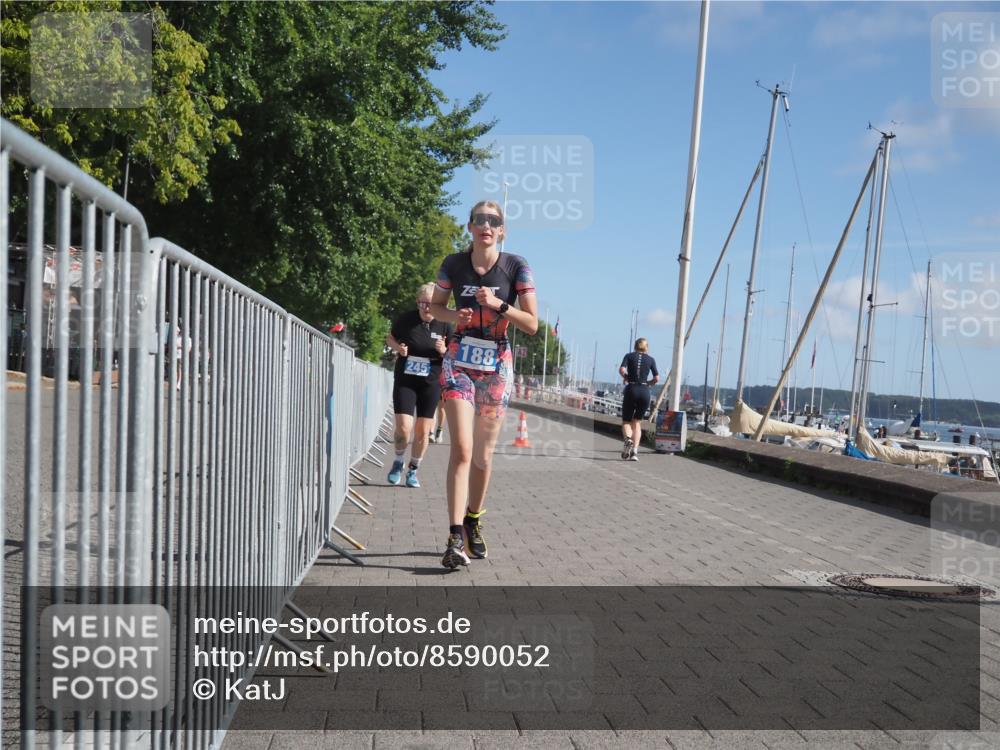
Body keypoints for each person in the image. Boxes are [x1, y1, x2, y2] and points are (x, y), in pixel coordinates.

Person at [429, 200, 537, 569]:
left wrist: (499, 304)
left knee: (483, 455)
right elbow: (436, 308)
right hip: (459, 359)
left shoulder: (516, 267)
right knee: (461, 448)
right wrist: (452, 315)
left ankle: (473, 518)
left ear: (501, 230)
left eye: (494, 221)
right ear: (470, 227)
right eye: (480, 220)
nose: (486, 226)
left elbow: (533, 324)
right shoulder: (453, 264)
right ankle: (454, 535)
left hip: (496, 365)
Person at [386, 284, 452, 487]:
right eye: (423, 303)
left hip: (430, 383)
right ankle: (398, 461)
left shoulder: (445, 324)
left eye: (431, 304)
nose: (427, 307)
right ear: (418, 303)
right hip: (406, 380)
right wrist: (397, 347)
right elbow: (390, 338)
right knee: (404, 428)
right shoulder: (406, 320)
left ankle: (413, 469)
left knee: (423, 431)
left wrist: (444, 350)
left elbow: (454, 354)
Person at [619, 338, 659, 461]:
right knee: (637, 422)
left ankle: (628, 440)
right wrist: (649, 384)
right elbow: (657, 378)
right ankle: (634, 452)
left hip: (631, 389)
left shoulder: (629, 356)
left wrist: (626, 377)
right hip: (644, 391)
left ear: (635, 346)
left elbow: (621, 370)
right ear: (647, 347)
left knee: (626, 421)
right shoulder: (651, 359)